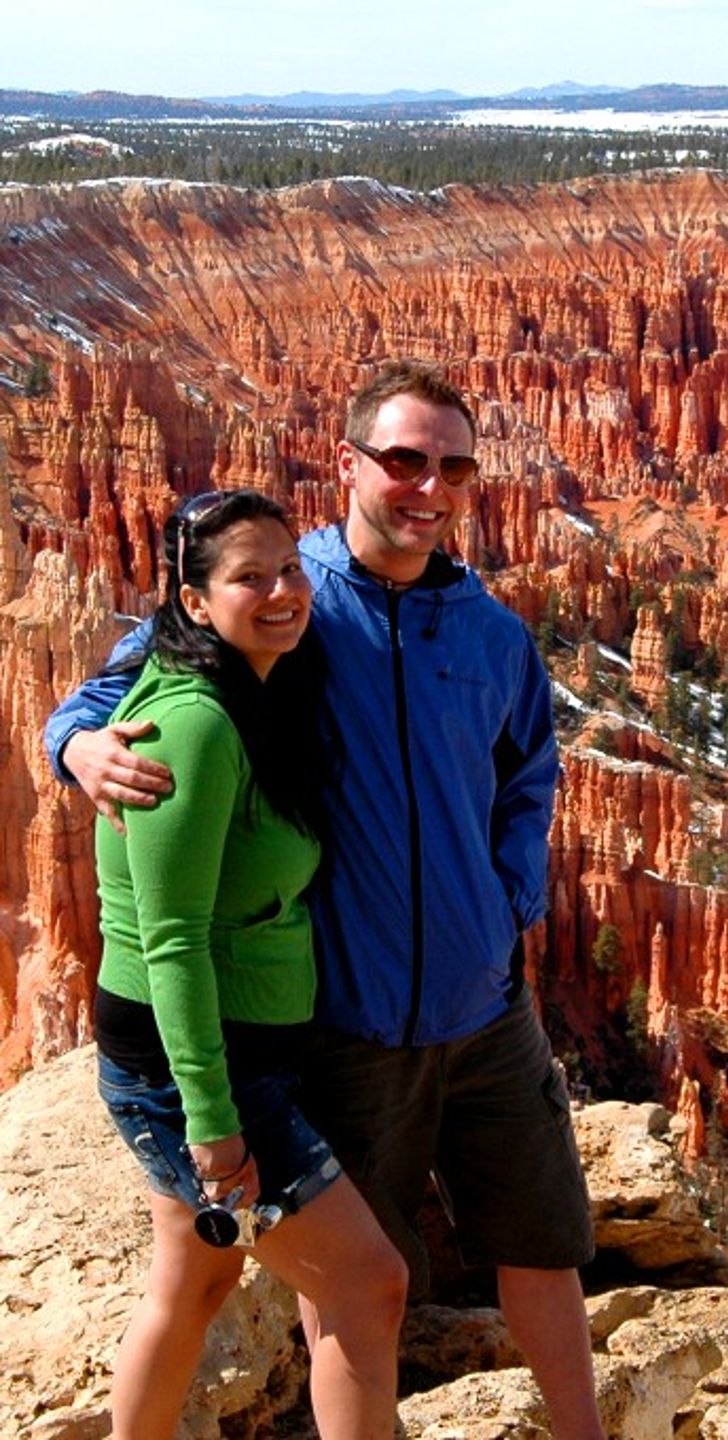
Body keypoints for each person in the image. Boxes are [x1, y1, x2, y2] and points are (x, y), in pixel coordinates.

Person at [48, 364, 604, 1440]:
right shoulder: (286, 596)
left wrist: (507, 904)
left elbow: (529, 776)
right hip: (347, 1025)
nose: (429, 487)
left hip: (487, 1007)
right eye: (404, 460)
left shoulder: (490, 634)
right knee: (354, 1289)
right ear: (348, 464)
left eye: (454, 467)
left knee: (544, 1244)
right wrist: (73, 741)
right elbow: (132, 679)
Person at [89, 488, 407, 1439]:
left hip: (236, 1047)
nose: (281, 592)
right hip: (197, 1063)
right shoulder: (192, 725)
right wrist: (215, 1125)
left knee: (193, 1283)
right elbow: (171, 938)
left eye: (290, 569)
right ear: (194, 602)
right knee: (368, 1283)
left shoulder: (252, 693)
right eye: (248, 577)